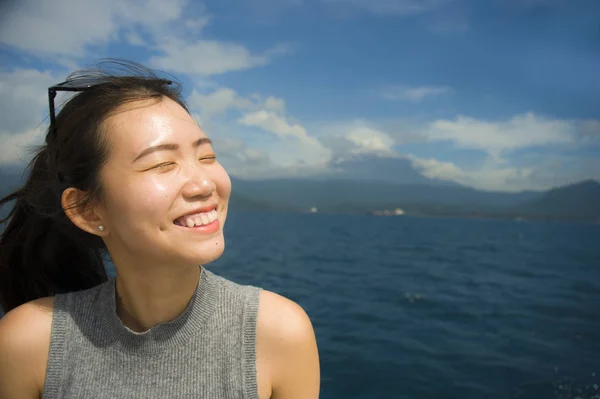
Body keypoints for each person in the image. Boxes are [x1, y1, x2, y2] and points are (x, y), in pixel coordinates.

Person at [0, 59, 320, 398]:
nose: (202, 184)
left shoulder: (278, 334)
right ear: (85, 209)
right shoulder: (29, 343)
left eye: (207, 157)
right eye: (162, 164)